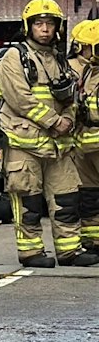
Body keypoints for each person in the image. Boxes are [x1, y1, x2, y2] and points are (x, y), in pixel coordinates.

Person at [0, 0, 90, 267]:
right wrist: (54, 121)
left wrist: (68, 119)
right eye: (39, 23)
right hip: (25, 144)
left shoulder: (59, 59)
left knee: (67, 198)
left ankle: (70, 251)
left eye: (49, 24)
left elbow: (70, 98)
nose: (45, 29)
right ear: (29, 26)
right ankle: (31, 252)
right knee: (29, 201)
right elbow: (20, 99)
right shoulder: (14, 57)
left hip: (59, 146)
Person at [71, 19, 99, 252]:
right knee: (89, 195)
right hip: (85, 145)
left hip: (92, 143)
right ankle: (93, 240)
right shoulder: (87, 71)